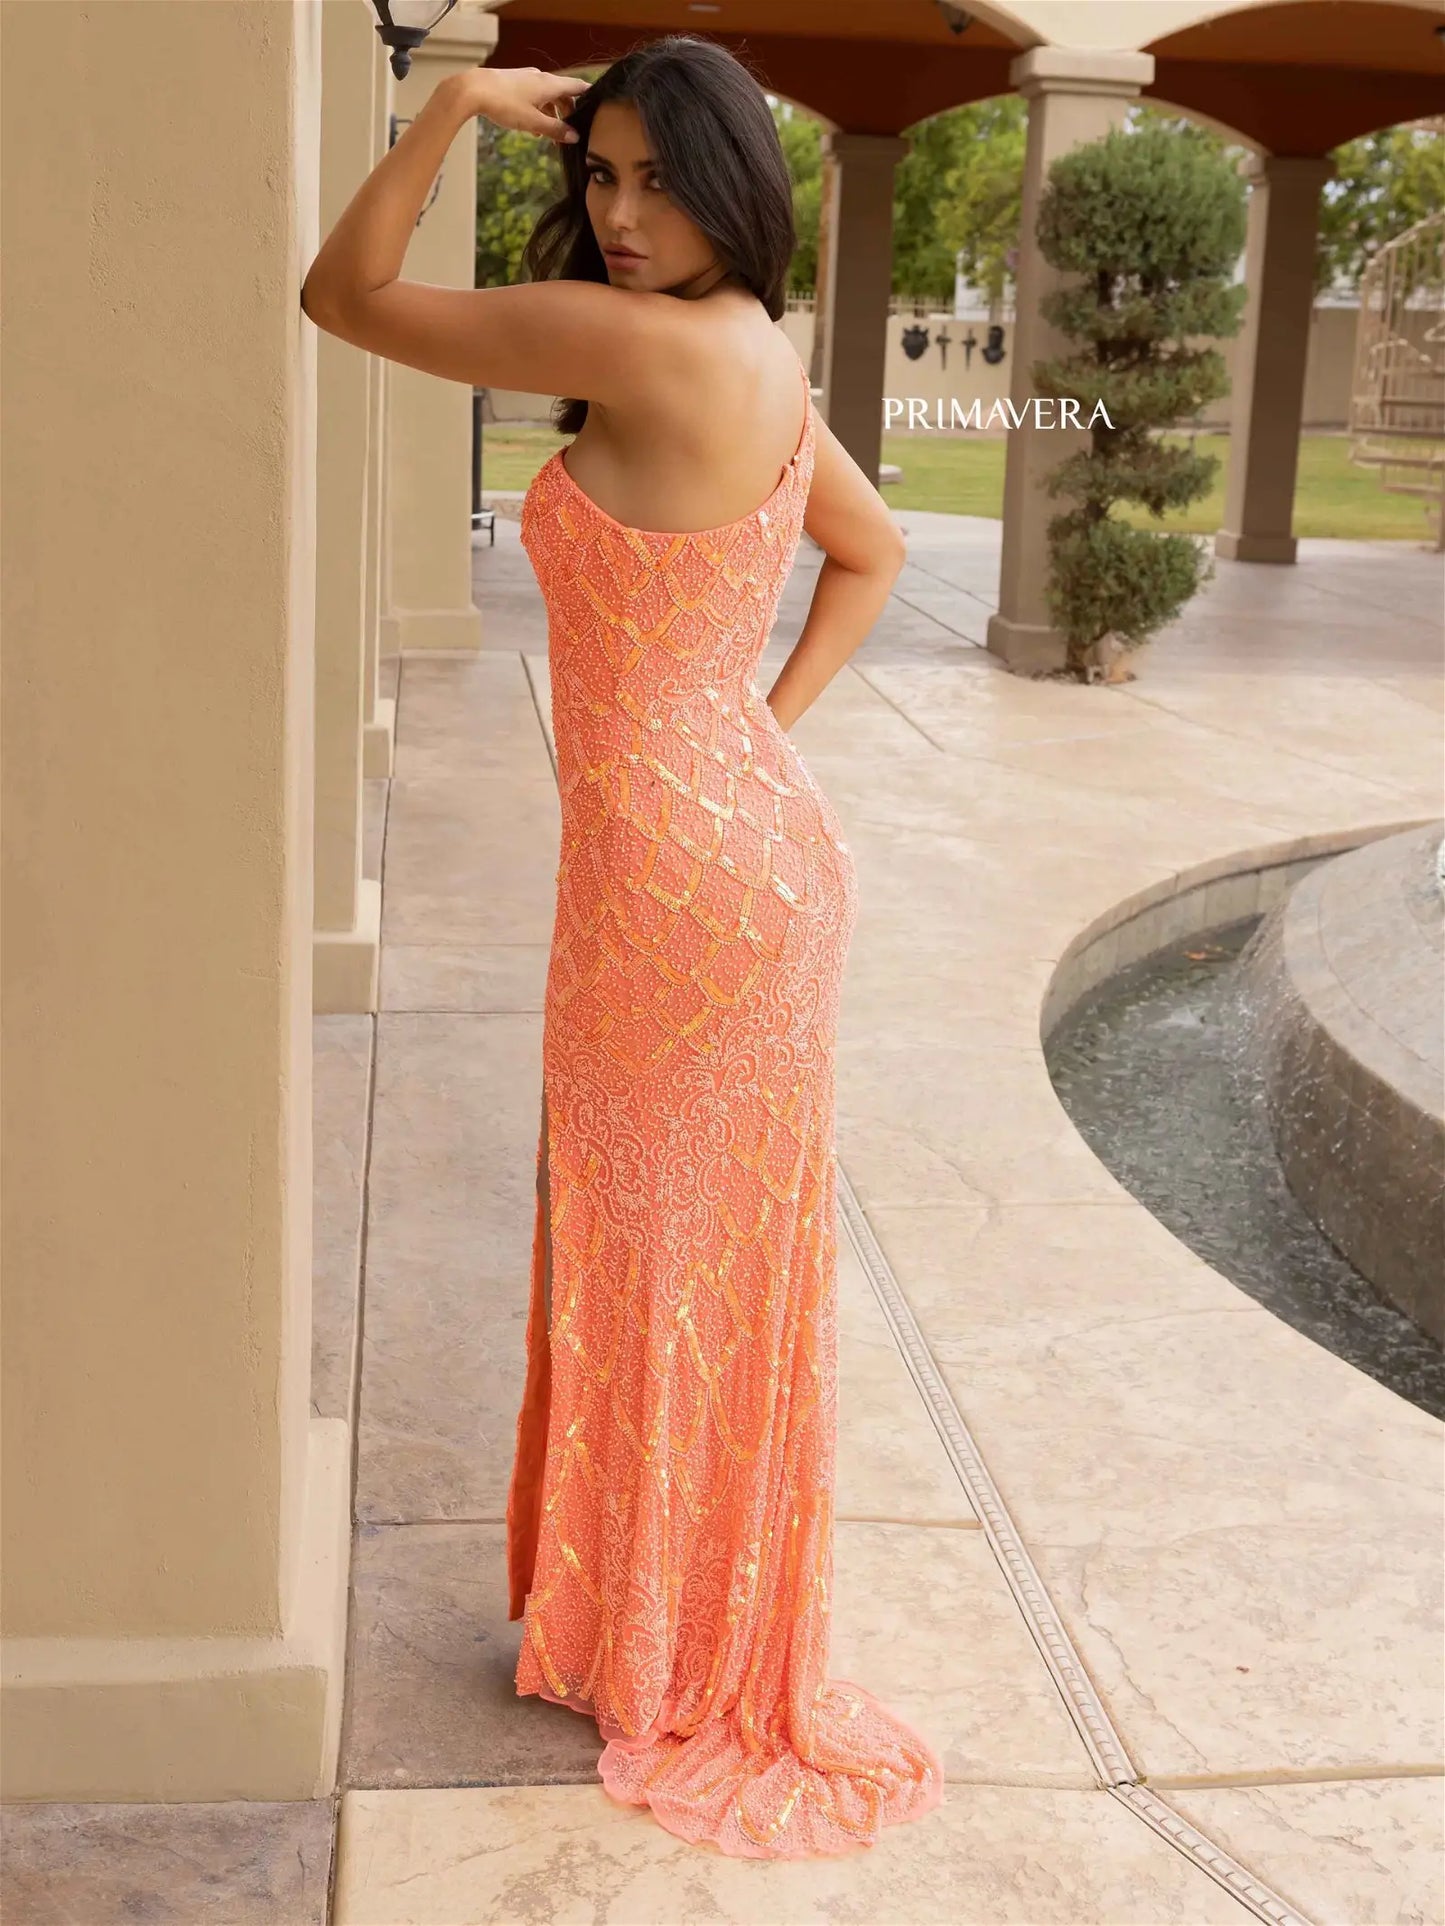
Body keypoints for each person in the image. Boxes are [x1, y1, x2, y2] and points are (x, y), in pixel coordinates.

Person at [301, 32, 942, 1860]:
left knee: (648, 1248)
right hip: (744, 864)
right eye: (600, 174)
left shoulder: (625, 341)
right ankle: (663, 1624)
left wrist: (446, 103)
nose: (622, 211)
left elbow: (340, 294)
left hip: (669, 892)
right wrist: (753, 742)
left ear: (735, 181)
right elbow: (874, 550)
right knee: (701, 1259)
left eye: (660, 177)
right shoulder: (756, 354)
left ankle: (650, 1642)